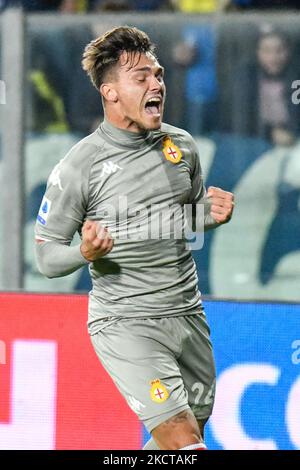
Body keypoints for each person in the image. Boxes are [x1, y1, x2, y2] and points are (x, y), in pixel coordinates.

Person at [34, 26, 234, 450]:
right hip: (126, 321)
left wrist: (209, 217)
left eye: (158, 74)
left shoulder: (181, 146)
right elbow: (47, 258)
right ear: (110, 92)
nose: (156, 84)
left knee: (178, 441)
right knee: (183, 440)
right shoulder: (80, 165)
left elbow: (184, 220)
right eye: (141, 77)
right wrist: (84, 253)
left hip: (187, 315)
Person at [232, 28, 300, 146]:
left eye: (279, 50)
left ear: (288, 51)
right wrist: (270, 133)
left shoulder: (296, 76)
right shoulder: (248, 77)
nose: (273, 58)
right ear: (258, 52)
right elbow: (241, 119)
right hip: (256, 142)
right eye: (267, 51)